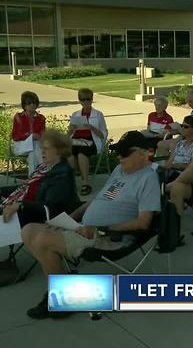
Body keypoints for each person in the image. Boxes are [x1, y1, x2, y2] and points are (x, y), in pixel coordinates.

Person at [21, 130, 161, 319]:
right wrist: (70, 217)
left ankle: (62, 299)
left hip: (106, 237)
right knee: (29, 230)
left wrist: (104, 228)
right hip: (83, 227)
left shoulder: (148, 179)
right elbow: (101, 199)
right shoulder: (119, 171)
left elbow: (144, 222)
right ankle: (65, 286)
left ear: (142, 153)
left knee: (43, 240)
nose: (119, 157)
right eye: (118, 152)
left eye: (125, 153)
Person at [2, 130, 80, 227]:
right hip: (26, 210)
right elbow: (26, 188)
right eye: (42, 148)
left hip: (37, 218)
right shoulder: (43, 168)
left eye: (46, 148)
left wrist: (20, 205)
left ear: (59, 151)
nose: (42, 151)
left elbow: (50, 207)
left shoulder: (61, 175)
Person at [68, 88, 108, 196]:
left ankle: (86, 183)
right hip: (76, 141)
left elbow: (103, 134)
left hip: (91, 142)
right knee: (69, 155)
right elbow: (68, 135)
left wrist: (92, 128)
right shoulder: (75, 114)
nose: (85, 102)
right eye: (82, 100)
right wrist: (71, 129)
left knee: (81, 154)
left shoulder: (98, 114)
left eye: (88, 99)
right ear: (79, 101)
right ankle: (70, 184)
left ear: (91, 100)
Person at [157, 88, 193, 156]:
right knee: (161, 145)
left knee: (172, 146)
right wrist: (174, 131)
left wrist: (185, 132)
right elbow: (190, 127)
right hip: (188, 137)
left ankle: (176, 163)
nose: (189, 104)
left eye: (190, 101)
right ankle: (172, 163)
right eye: (188, 102)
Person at [11, 91, 46, 175]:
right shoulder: (19, 117)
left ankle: (33, 179)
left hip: (36, 146)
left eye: (34, 103)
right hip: (21, 145)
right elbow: (15, 136)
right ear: (24, 105)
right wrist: (28, 135)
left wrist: (38, 136)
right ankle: (41, 176)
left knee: (33, 153)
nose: (32, 105)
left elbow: (43, 135)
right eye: (29, 103)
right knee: (36, 150)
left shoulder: (41, 118)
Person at [163, 115, 193, 183]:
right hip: (173, 172)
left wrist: (176, 166)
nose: (182, 128)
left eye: (186, 127)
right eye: (182, 125)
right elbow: (170, 161)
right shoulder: (180, 143)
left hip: (184, 176)